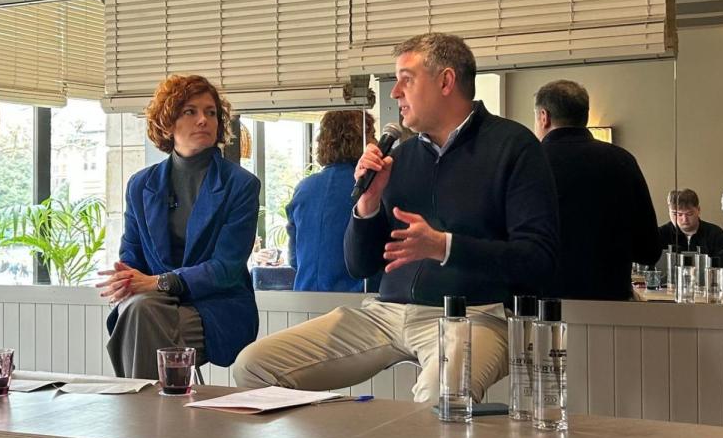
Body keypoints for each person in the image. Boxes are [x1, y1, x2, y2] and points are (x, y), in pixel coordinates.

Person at [232, 33, 559, 404]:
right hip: (385, 314)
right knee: (254, 366)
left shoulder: (513, 147)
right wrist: (367, 206)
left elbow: (539, 260)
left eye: (406, 78)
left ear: (446, 81)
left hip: (476, 315)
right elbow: (360, 265)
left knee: (443, 394)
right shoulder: (399, 158)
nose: (394, 93)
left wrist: (445, 247)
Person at [98, 74, 260, 438]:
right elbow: (131, 258)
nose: (203, 120)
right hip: (154, 312)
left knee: (140, 312)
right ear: (168, 122)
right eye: (190, 111)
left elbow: (226, 269)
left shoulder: (241, 185)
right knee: (139, 309)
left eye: (210, 113)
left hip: (217, 310)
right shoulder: (141, 185)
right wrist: (124, 280)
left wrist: (157, 284)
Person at [533, 79, 661, 301]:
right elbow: (649, 250)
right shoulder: (622, 161)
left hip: (543, 306)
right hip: (610, 303)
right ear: (584, 116)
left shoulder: (529, 162)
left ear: (544, 117)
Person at [286, 110, 377, 291]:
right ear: (364, 140)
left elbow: (294, 258)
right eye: (372, 135)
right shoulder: (370, 188)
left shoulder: (304, 188)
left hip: (306, 296)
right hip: (357, 300)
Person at [659, 189, 723, 260]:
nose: (684, 219)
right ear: (669, 212)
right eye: (678, 214)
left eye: (689, 214)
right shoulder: (661, 234)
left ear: (698, 210)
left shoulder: (714, 234)